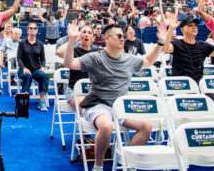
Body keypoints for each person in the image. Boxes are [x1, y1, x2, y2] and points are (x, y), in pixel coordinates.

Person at [63, 21, 167, 171]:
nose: (122, 38)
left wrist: (161, 42)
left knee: (146, 126)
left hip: (120, 107)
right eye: (118, 36)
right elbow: (69, 63)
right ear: (107, 39)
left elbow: (149, 61)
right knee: (107, 126)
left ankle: (127, 161)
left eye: (123, 36)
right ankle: (98, 166)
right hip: (98, 104)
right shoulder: (95, 58)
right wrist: (72, 40)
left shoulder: (129, 59)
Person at [162, 15, 214, 83]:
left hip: (199, 84)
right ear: (182, 29)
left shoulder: (203, 45)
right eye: (190, 25)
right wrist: (171, 29)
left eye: (195, 25)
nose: (193, 27)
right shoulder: (177, 44)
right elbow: (165, 48)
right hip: (181, 85)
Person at [55, 24, 96, 111]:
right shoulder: (73, 51)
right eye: (83, 32)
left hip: (93, 91)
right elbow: (59, 52)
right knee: (85, 107)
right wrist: (74, 39)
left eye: (89, 33)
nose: (86, 35)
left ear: (93, 38)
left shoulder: (96, 52)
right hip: (75, 91)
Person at [17, 22, 49, 111]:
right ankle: (24, 101)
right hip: (24, 69)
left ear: (37, 30)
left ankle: (41, 101)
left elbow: (43, 59)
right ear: (27, 30)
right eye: (31, 28)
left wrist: (43, 66)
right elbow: (19, 58)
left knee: (43, 75)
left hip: (36, 69)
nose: (33, 30)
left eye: (35, 28)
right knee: (27, 75)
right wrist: (24, 68)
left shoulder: (40, 44)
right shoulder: (22, 43)